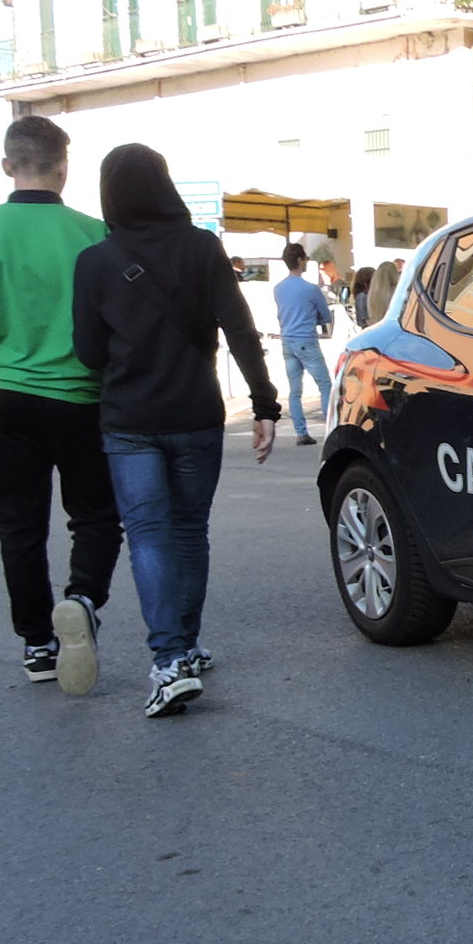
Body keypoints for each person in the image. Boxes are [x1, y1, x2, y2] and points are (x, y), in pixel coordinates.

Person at [70, 144, 281, 717]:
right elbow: (240, 331)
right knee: (189, 531)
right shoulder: (202, 248)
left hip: (129, 421)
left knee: (148, 536)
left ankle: (169, 660)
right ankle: (183, 648)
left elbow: (89, 353)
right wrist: (265, 405)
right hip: (195, 415)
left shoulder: (95, 262)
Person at [0, 115, 123, 693]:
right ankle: (83, 601)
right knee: (95, 517)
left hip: (11, 401)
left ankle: (38, 645)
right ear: (65, 170)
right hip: (84, 400)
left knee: (19, 527)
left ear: (6, 166)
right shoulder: (98, 234)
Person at [272, 243, 334, 445]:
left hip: (287, 341)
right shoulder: (311, 289)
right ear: (300, 260)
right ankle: (330, 429)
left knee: (295, 390)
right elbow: (325, 316)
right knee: (325, 385)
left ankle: (301, 432)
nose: (307, 261)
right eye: (305, 258)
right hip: (306, 340)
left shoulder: (278, 289)